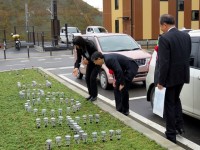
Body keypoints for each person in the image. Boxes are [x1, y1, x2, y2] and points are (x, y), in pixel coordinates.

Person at [154, 14, 191, 143]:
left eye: (161, 27)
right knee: (175, 100)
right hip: (182, 75)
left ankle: (171, 133)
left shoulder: (164, 38)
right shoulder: (186, 36)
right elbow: (187, 55)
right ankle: (179, 126)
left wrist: (161, 81)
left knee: (169, 104)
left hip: (169, 78)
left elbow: (164, 63)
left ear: (165, 24)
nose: (161, 29)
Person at [72, 36, 100, 101]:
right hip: (90, 62)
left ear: (80, 43)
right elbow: (78, 59)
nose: (76, 47)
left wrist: (89, 60)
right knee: (87, 78)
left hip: (97, 61)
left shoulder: (90, 45)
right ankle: (91, 94)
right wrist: (76, 68)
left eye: (77, 45)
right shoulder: (79, 48)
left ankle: (94, 96)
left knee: (92, 78)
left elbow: (96, 54)